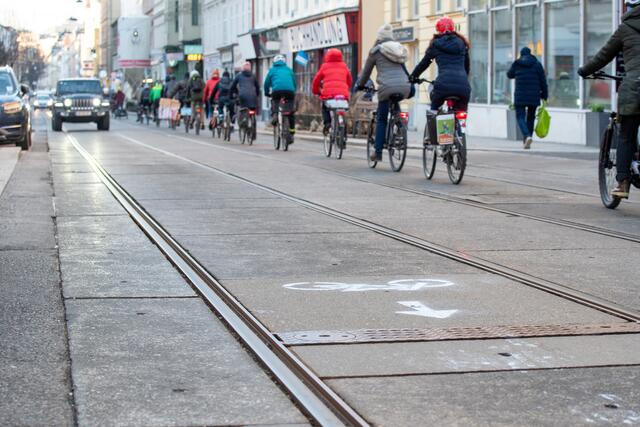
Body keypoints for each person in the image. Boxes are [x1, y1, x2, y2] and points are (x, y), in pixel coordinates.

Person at [578, 0, 640, 198]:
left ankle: (622, 183)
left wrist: (585, 70)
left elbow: (604, 55)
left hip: (635, 88)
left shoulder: (625, 28)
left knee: (626, 136)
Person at [356, 24, 412, 162]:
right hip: (404, 86)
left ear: (379, 37)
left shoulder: (375, 51)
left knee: (381, 118)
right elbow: (404, 70)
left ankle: (378, 152)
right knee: (396, 107)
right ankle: (400, 128)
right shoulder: (398, 49)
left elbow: (366, 72)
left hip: (386, 88)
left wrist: (360, 85)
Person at [409, 17, 471, 112]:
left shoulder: (436, 44)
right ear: (453, 29)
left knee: (434, 110)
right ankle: (461, 126)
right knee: (461, 113)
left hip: (443, 85)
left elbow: (424, 63)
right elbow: (466, 66)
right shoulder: (462, 43)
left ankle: (434, 123)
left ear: (438, 31)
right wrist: (463, 79)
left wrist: (413, 76)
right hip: (463, 87)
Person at [507, 47, 548, 149]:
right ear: (530, 54)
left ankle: (527, 136)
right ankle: (527, 139)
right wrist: (545, 95)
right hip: (534, 96)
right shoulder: (537, 64)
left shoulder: (517, 64)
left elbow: (509, 74)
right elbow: (543, 81)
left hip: (520, 95)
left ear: (521, 54)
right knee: (531, 117)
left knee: (520, 116)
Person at [312, 48, 353, 135]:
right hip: (342, 95)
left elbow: (316, 81)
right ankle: (343, 134)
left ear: (327, 56)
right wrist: (346, 88)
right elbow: (349, 80)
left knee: (325, 107)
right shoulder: (344, 66)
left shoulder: (325, 66)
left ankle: (327, 123)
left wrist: (316, 91)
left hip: (329, 95)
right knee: (342, 110)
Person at [264, 54, 297, 136]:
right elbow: (294, 82)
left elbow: (266, 83)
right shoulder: (289, 70)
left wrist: (266, 92)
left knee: (275, 101)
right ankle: (292, 130)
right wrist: (293, 91)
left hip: (277, 91)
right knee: (290, 111)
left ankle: (275, 114)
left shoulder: (272, 70)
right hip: (289, 91)